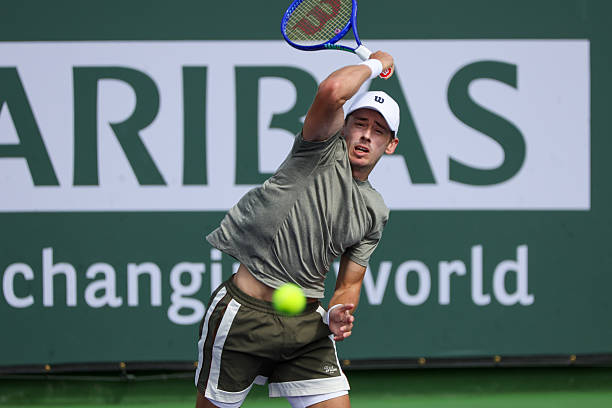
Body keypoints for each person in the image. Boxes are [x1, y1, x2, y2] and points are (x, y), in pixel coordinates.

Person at [195, 50, 399, 408]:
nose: (366, 136)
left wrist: (339, 310)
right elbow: (333, 88)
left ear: (391, 145)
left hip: (307, 326)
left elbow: (349, 284)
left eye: (378, 130)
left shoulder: (375, 211)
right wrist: (376, 64)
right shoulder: (319, 147)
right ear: (344, 125)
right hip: (244, 316)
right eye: (359, 123)